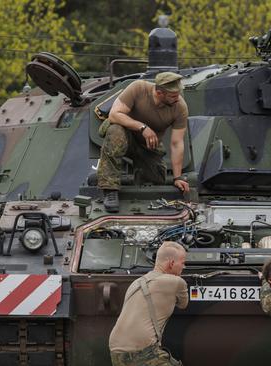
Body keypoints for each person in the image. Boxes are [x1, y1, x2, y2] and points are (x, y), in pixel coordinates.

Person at [97, 72, 190, 212]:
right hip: (125, 136)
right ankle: (110, 189)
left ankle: (139, 176)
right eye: (173, 96)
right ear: (159, 93)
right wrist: (142, 127)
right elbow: (114, 114)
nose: (177, 98)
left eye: (178, 94)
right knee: (115, 131)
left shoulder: (180, 107)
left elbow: (177, 143)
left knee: (157, 178)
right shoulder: (138, 89)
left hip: (149, 146)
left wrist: (178, 177)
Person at [109, 241, 188, 366]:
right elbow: (183, 304)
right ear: (171, 263)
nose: (184, 267)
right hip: (142, 351)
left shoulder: (136, 283)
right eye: (182, 263)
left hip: (116, 349)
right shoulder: (177, 282)